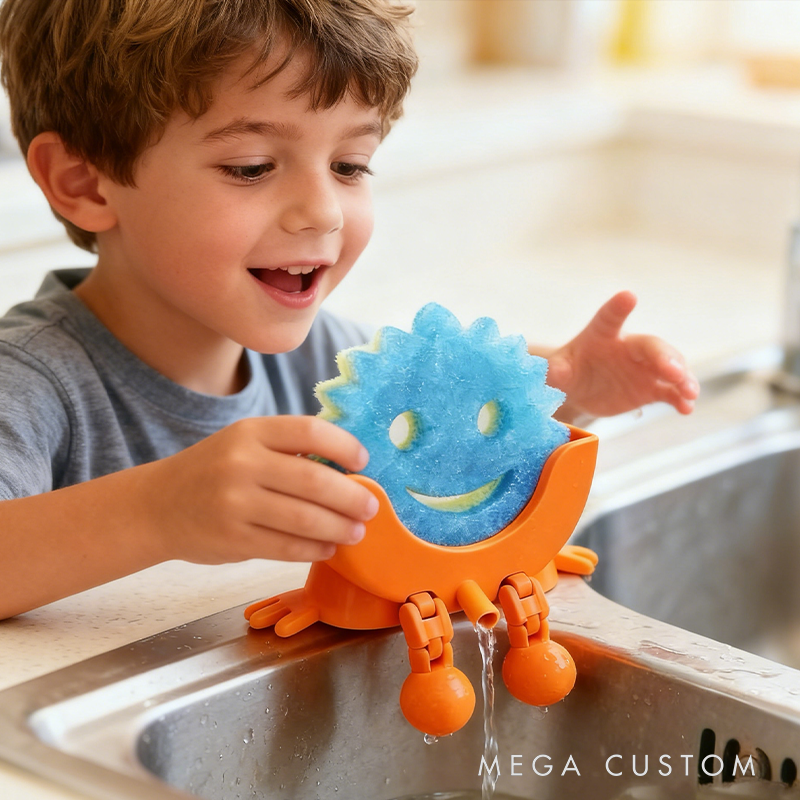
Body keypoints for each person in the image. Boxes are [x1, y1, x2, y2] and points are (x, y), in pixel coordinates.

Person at [0, 0, 698, 620]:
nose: (323, 212)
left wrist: (561, 386)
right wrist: (158, 512)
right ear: (83, 182)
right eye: (251, 167)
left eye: (350, 165)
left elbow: (434, 430)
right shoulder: (32, 383)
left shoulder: (319, 358)